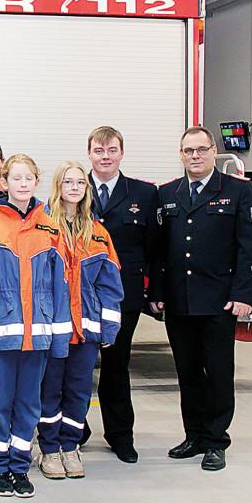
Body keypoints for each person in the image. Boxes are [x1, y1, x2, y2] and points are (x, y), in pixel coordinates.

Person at [149, 126, 252, 472]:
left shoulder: (239, 191)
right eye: (188, 150)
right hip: (180, 301)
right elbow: (159, 252)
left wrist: (244, 295)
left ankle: (216, 441)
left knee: (218, 373)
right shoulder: (167, 193)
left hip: (219, 302)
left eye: (200, 149)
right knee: (188, 373)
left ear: (214, 151)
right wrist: (157, 293)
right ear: (180, 154)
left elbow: (248, 248)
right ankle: (194, 434)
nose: (194, 156)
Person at [0, 154, 71, 498]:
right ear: (5, 181)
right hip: (0, 336)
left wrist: (58, 336)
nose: (23, 184)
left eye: (29, 178)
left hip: (38, 335)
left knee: (29, 404)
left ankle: (20, 464)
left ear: (37, 182)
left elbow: (61, 284)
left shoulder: (50, 225)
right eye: (16, 178)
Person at [37, 161, 124, 480]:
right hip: (52, 329)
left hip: (86, 329)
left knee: (78, 391)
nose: (74, 187)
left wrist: (109, 326)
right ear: (58, 187)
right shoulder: (43, 228)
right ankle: (48, 450)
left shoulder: (98, 233)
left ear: (86, 189)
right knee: (49, 392)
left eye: (80, 183)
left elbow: (110, 284)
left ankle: (70, 446)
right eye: (68, 182)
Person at [86, 126, 160, 463]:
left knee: (117, 365)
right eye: (99, 151)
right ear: (89, 154)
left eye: (111, 150)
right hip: (79, 297)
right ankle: (75, 431)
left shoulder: (143, 195)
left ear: (121, 153)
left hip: (122, 297)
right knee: (75, 368)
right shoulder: (73, 188)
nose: (105, 157)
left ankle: (120, 436)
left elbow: (155, 250)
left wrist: (155, 293)